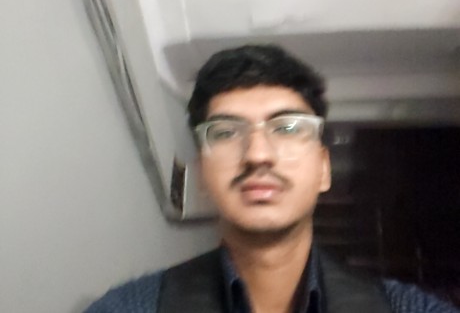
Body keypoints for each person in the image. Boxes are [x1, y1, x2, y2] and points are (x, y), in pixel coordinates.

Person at [86, 44, 459, 313]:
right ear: (202, 174)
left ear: (323, 168)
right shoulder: (129, 308)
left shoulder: (407, 309)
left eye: (288, 127)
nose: (257, 154)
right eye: (225, 132)